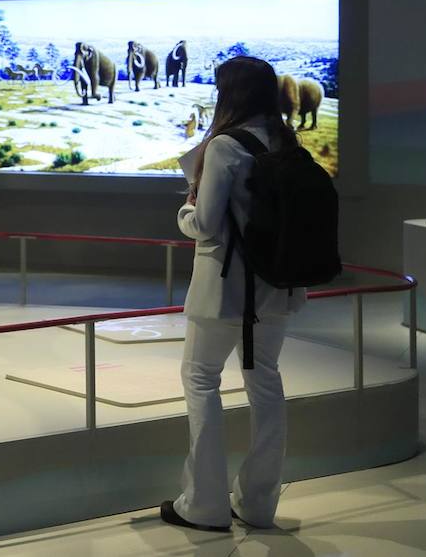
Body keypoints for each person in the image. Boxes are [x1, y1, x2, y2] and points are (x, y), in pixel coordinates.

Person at [161, 55, 305, 532]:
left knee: (201, 381)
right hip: (278, 287)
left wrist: (185, 210)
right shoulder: (286, 140)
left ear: (231, 93)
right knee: (266, 384)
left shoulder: (224, 146)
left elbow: (204, 225)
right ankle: (259, 504)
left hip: (224, 289)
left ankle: (203, 504)